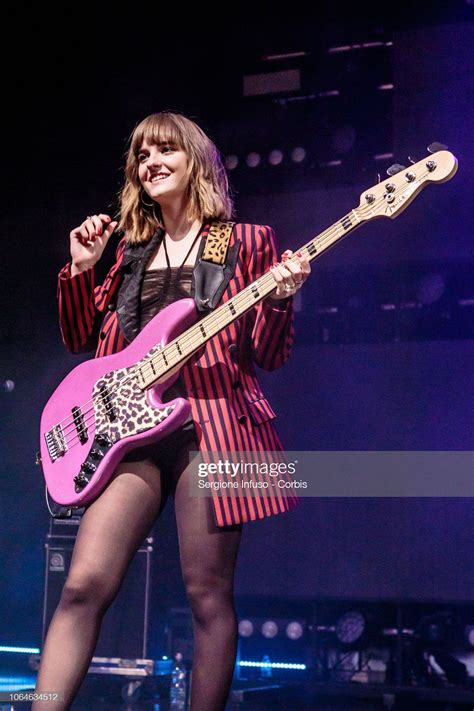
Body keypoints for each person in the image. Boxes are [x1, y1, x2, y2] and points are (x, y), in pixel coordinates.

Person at [33, 111, 310, 711]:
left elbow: (268, 354)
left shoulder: (242, 241)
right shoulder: (131, 250)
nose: (151, 162)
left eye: (165, 150)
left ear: (195, 162)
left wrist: (281, 301)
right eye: (141, 154)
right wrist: (82, 267)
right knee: (82, 586)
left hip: (212, 425)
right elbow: (85, 342)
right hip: (127, 433)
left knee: (206, 595)